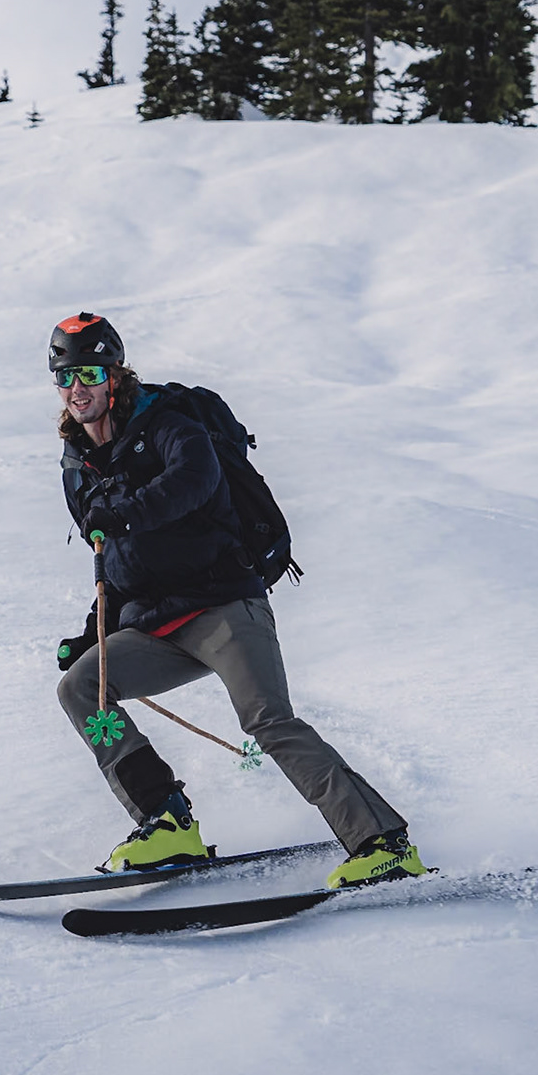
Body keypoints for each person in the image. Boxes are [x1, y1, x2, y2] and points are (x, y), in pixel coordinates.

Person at [48, 312, 428, 888]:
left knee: (267, 721)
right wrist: (89, 633)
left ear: (116, 376)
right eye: (66, 376)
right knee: (81, 688)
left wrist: (122, 514)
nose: (78, 388)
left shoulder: (168, 424)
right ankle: (167, 822)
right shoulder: (78, 466)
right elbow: (116, 564)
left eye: (90, 373)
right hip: (155, 625)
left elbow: (193, 481)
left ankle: (382, 842)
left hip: (222, 607)